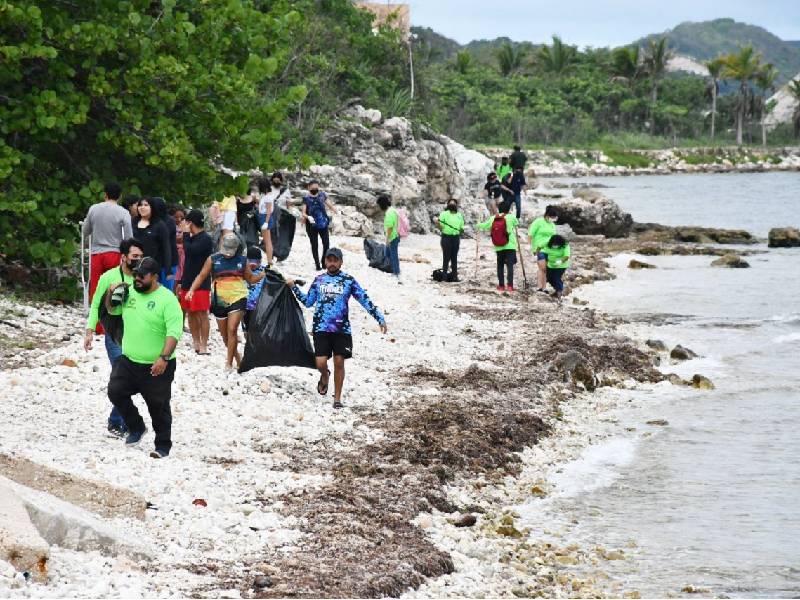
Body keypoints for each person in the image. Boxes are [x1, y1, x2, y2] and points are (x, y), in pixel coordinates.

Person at [287, 248, 387, 409]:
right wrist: (294, 287)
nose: (332, 263)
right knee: (320, 362)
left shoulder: (348, 280)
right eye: (329, 260)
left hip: (342, 329)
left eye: (335, 260)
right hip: (321, 328)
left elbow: (364, 299)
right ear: (325, 261)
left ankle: (337, 399)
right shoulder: (319, 280)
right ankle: (325, 375)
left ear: (341, 262)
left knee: (339, 362)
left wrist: (379, 317)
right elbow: (307, 302)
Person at [105, 257, 183, 459]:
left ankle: (163, 446)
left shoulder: (167, 299)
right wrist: (111, 293)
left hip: (157, 364)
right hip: (129, 360)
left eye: (142, 275)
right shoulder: (129, 292)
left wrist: (163, 358)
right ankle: (136, 427)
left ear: (155, 277)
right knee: (115, 391)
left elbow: (174, 332)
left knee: (158, 406)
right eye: (135, 274)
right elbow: (112, 310)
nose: (137, 278)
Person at [84, 238, 144, 437]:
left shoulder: (142, 278)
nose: (138, 260)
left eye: (141, 257)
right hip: (115, 331)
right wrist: (89, 330)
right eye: (134, 256)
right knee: (123, 375)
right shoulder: (108, 277)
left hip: (136, 332)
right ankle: (119, 421)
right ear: (124, 257)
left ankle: (118, 419)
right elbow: (95, 305)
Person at [185, 232, 265, 370]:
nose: (228, 254)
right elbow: (202, 275)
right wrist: (191, 290)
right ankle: (238, 359)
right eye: (226, 251)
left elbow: (250, 279)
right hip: (219, 300)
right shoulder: (213, 259)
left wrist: (263, 274)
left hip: (238, 297)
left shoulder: (242, 260)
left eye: (231, 251)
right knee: (224, 335)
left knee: (232, 329)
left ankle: (228, 363)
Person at [81, 182, 133, 303]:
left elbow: (85, 231)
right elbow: (129, 237)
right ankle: (112, 315)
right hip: (115, 253)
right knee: (114, 286)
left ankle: (97, 318)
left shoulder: (93, 209)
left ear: (105, 195)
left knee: (96, 288)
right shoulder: (123, 212)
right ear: (120, 196)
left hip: (96, 254)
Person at [178, 209, 213, 354]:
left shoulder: (205, 238)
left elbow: (191, 251)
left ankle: (204, 344)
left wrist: (185, 234)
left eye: (186, 222)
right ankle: (196, 342)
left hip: (201, 282)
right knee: (190, 313)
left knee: (202, 313)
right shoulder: (191, 238)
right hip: (187, 279)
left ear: (190, 223)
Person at [476, 201, 520, 292]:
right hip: (510, 245)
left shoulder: (493, 218)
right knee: (510, 266)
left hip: (498, 246)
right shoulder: (511, 217)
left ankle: (501, 286)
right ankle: (510, 286)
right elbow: (517, 224)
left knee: (500, 265)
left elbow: (484, 226)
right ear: (508, 209)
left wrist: (478, 223)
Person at [302, 181, 338, 271]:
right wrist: (307, 217)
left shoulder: (322, 195)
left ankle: (323, 262)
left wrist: (336, 211)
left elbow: (330, 205)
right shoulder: (306, 198)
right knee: (314, 245)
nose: (315, 190)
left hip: (323, 223)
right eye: (313, 188)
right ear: (309, 188)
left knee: (326, 244)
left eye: (316, 188)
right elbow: (303, 212)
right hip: (312, 224)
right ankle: (317, 264)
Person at [133, 198, 171, 280]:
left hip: (152, 267)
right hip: (134, 265)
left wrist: (168, 270)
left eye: (146, 205)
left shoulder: (159, 225)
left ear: (152, 207)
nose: (142, 207)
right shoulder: (133, 222)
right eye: (140, 205)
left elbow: (166, 247)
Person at [258, 173, 291, 265]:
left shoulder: (268, 197)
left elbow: (268, 211)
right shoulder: (267, 195)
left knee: (268, 241)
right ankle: (270, 258)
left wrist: (266, 222)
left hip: (266, 218)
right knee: (267, 240)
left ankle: (270, 260)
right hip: (264, 218)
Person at [528, 205, 559, 293]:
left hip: (550, 249)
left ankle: (544, 288)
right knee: (542, 267)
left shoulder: (552, 224)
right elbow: (530, 234)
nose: (553, 219)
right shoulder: (538, 222)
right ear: (547, 215)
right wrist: (530, 247)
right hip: (539, 248)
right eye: (552, 217)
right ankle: (539, 287)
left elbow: (554, 237)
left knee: (546, 269)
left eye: (554, 217)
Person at [150, 197, 178, 290]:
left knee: (166, 290)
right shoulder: (152, 220)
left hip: (169, 263)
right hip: (156, 261)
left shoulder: (168, 221)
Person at [437, 199, 464, 282]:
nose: (452, 204)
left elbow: (461, 228)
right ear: (448, 205)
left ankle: (455, 277)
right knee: (446, 257)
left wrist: (461, 230)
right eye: (450, 203)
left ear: (456, 205)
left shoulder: (459, 215)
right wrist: (438, 224)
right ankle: (444, 277)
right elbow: (440, 227)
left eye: (454, 203)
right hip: (446, 238)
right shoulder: (443, 214)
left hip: (456, 238)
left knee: (454, 258)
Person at [242, 245, 266, 336]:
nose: (253, 266)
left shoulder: (265, 271)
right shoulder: (241, 270)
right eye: (250, 262)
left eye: (256, 262)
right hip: (245, 307)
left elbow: (279, 280)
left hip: (260, 307)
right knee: (247, 331)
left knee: (259, 331)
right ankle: (248, 346)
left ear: (260, 261)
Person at [377, 195, 401, 279]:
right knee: (387, 253)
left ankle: (396, 272)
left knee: (393, 255)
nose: (379, 207)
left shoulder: (389, 213)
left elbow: (390, 227)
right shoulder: (393, 210)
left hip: (392, 237)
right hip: (395, 235)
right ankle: (392, 269)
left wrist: (387, 239)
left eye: (379, 205)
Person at [544, 234, 570, 300]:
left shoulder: (565, 246)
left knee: (556, 277)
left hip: (561, 265)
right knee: (549, 278)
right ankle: (557, 289)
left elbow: (566, 256)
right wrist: (536, 253)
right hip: (550, 265)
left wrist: (560, 261)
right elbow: (540, 246)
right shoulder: (547, 244)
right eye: (554, 244)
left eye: (556, 244)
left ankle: (559, 292)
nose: (555, 245)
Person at [169, 205, 186, 293]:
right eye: (176, 217)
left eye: (181, 217)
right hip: (174, 257)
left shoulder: (185, 226)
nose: (179, 219)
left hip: (182, 258)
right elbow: (178, 239)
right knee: (174, 278)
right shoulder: (169, 227)